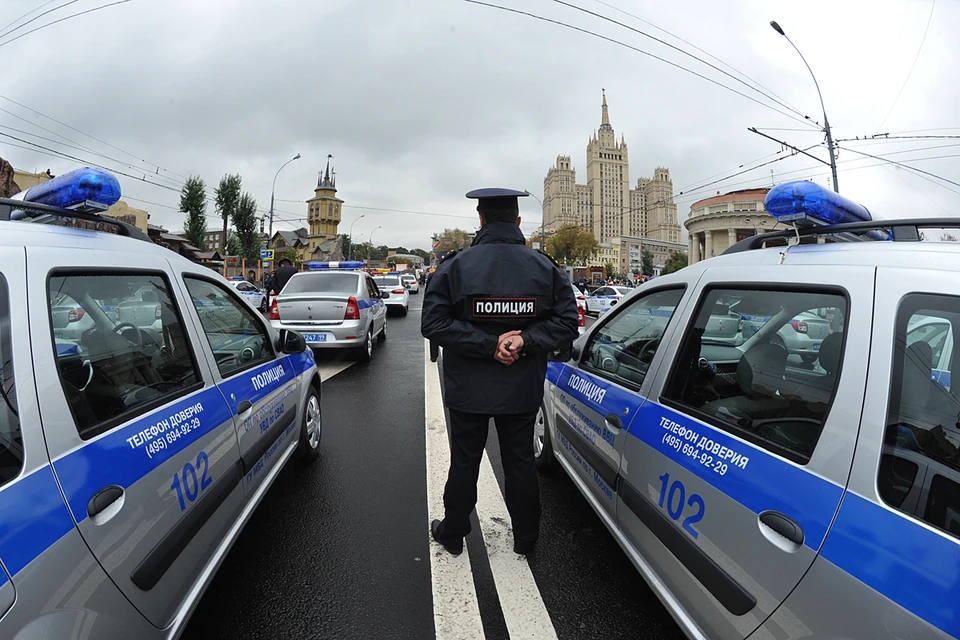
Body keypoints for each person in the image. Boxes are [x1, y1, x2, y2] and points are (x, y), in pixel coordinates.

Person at [422, 187, 579, 556]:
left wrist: (487, 345)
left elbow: (433, 323)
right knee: (520, 462)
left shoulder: (455, 266)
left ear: (481, 221)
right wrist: (522, 340)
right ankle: (526, 539)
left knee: (464, 463)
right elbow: (568, 323)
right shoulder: (546, 268)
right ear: (519, 222)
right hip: (522, 386)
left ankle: (454, 533)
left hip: (468, 389)